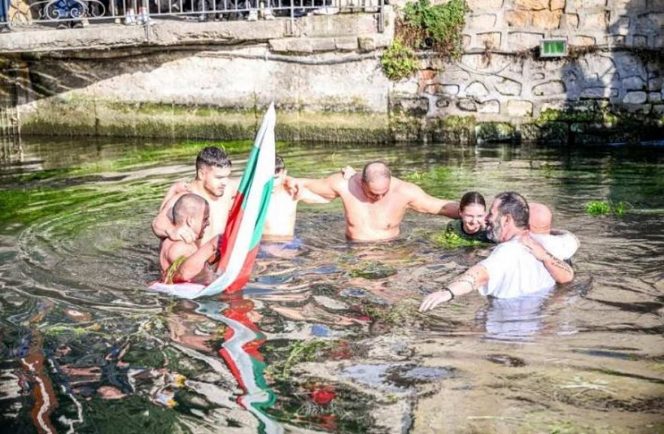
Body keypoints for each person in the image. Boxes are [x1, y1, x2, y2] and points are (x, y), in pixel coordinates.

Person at [419, 192, 574, 312]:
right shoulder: (544, 244)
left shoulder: (507, 251)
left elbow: (480, 274)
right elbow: (568, 277)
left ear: (506, 220)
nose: (486, 219)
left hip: (506, 323)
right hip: (537, 315)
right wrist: (545, 257)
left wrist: (448, 292)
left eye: (491, 214)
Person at [289, 161, 459, 242]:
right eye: (373, 193)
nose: (379, 198)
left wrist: (472, 214)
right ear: (362, 182)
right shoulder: (345, 185)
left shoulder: (404, 191)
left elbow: (440, 207)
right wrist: (285, 181)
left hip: (390, 249)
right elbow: (308, 185)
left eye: (383, 193)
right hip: (353, 250)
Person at [153, 146, 238, 245]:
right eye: (219, 177)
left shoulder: (228, 188)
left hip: (222, 251)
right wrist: (171, 231)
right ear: (201, 174)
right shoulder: (187, 196)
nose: (225, 182)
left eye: (227, 176)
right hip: (198, 253)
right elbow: (157, 224)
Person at [260, 155, 329, 257]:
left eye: (275, 178)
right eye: (268, 179)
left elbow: (326, 198)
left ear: (284, 173)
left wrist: (349, 178)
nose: (272, 183)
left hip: (290, 243)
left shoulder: (293, 192)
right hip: (265, 245)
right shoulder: (257, 195)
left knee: (321, 256)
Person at [159, 193, 210, 283]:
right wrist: (212, 246)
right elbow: (197, 277)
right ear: (190, 221)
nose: (208, 223)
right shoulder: (184, 247)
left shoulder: (166, 240)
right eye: (204, 219)